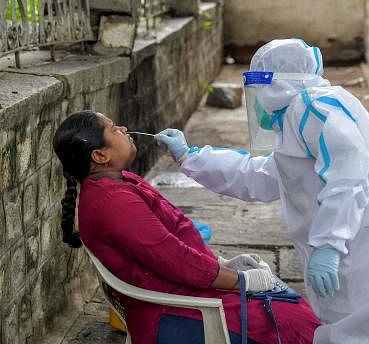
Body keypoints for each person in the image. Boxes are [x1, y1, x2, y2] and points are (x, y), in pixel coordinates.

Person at [156, 38, 369, 343]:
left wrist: (329, 244)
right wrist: (190, 156)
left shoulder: (311, 105)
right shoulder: (308, 121)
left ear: (276, 85)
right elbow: (260, 176)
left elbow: (349, 170)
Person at [52, 110, 320, 344]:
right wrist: (241, 280)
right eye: (113, 129)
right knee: (292, 321)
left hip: (179, 289)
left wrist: (222, 264)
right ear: (100, 155)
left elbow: (172, 242)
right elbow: (176, 259)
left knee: (289, 305)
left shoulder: (120, 182)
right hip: (173, 313)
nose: (123, 128)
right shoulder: (114, 203)